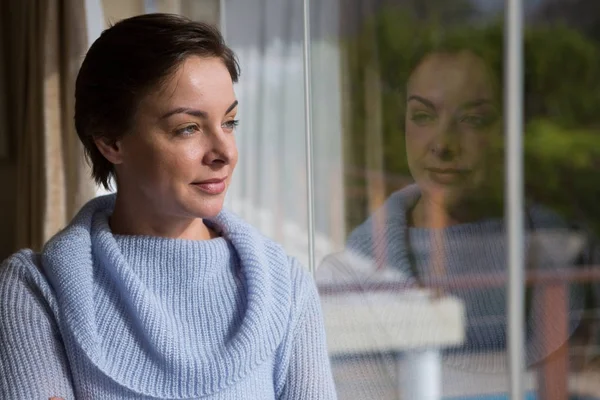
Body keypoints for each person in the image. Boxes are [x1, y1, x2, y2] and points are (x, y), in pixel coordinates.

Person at [0, 14, 336, 400]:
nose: (225, 152)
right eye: (188, 128)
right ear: (111, 141)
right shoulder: (35, 290)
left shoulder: (286, 288)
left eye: (230, 122)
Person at [317, 44, 599, 398]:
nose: (444, 144)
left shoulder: (566, 257)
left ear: (507, 133)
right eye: (422, 116)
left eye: (473, 119)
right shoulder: (347, 282)